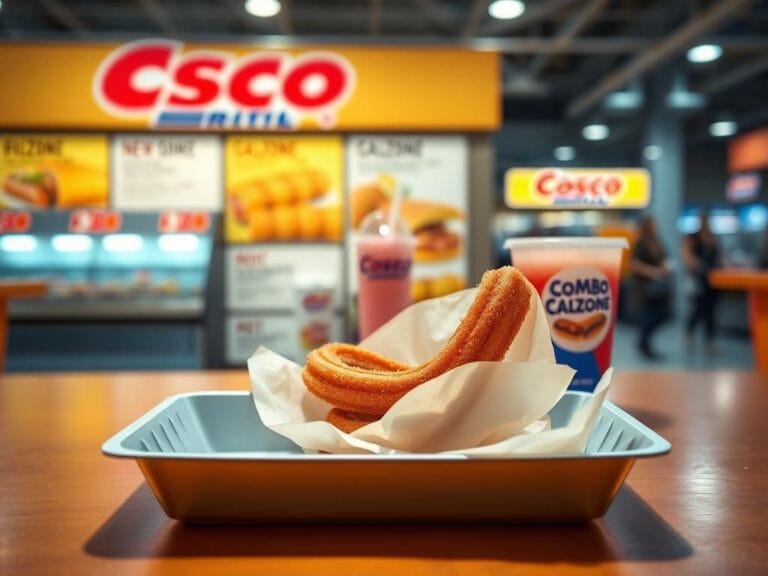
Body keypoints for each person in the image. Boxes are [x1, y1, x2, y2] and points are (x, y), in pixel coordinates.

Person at [631, 216, 673, 360]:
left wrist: (665, 268)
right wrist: (653, 272)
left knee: (664, 314)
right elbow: (635, 265)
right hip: (646, 287)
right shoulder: (640, 244)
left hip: (660, 287)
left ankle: (643, 342)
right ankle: (645, 344)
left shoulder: (658, 242)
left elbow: (664, 259)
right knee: (648, 316)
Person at [681, 213, 722, 351]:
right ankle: (689, 335)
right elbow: (687, 256)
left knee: (711, 311)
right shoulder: (693, 238)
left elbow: (719, 257)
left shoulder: (712, 238)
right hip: (698, 279)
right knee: (698, 309)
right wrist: (698, 266)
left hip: (713, 279)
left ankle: (710, 341)